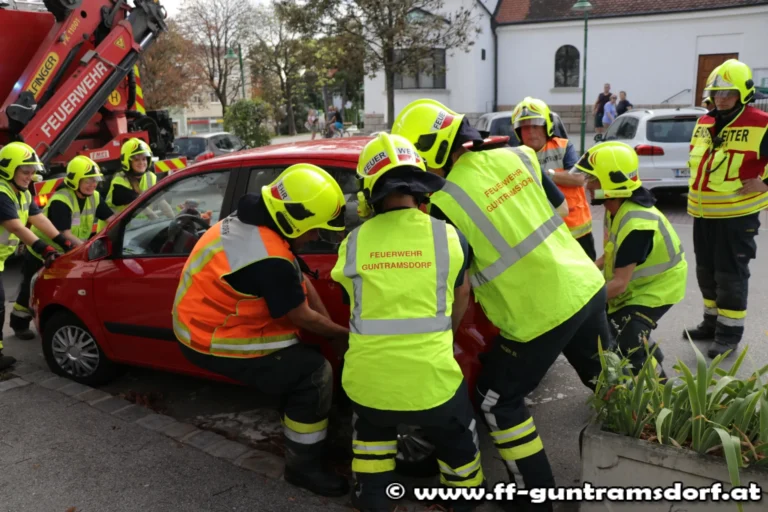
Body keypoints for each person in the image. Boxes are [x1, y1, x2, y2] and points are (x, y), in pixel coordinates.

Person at [392, 99, 611, 512]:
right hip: (584, 285)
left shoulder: (443, 203)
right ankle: (647, 455)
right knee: (606, 379)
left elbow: (458, 283)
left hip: (538, 314)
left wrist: (444, 335)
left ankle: (534, 499)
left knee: (496, 401)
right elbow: (561, 209)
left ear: (431, 150)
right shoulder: (519, 156)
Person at [172, 164, 350, 497]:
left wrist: (331, 333)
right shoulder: (269, 260)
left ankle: (302, 419)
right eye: (315, 230)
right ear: (294, 220)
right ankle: (303, 467)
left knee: (299, 361)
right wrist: (343, 336)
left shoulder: (256, 219)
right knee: (314, 374)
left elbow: (299, 279)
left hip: (203, 321)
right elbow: (301, 315)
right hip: (214, 338)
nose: (315, 238)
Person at [331, 133, 483, 512]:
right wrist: (444, 336)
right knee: (458, 448)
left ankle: (375, 501)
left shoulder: (353, 243)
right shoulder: (450, 237)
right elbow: (461, 296)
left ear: (369, 191)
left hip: (369, 384)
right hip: (433, 381)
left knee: (372, 448)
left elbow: (353, 304)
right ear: (420, 185)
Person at [573, 141, 687, 378]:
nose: (588, 185)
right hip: (639, 286)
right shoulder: (616, 207)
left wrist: (581, 304)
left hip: (657, 289)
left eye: (593, 179)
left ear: (613, 182)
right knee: (624, 330)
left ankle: (658, 390)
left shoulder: (637, 224)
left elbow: (619, 284)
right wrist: (587, 271)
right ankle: (649, 360)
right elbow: (610, 254)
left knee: (628, 336)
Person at [684, 59, 768, 358]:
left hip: (737, 217)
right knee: (706, 274)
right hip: (703, 215)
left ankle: (729, 334)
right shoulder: (704, 122)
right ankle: (711, 323)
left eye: (728, 93)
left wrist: (766, 184)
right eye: (716, 92)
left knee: (730, 276)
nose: (720, 98)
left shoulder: (761, 123)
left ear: (743, 94)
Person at [10, 156, 115, 339]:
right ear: (75, 180)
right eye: (87, 180)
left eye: (95, 180)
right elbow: (64, 233)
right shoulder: (62, 200)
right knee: (30, 288)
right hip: (41, 250)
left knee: (59, 287)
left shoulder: (95, 197)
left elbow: (111, 219)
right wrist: (86, 248)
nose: (93, 184)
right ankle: (19, 323)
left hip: (67, 249)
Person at [0, 142, 69, 370]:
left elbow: (38, 218)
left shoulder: (21, 192)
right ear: (9, 168)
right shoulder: (2, 193)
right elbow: (16, 226)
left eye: (32, 171)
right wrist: (44, 249)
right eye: (25, 171)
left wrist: (63, 241)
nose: (30, 176)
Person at [512, 97, 595, 260]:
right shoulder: (515, 156)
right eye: (525, 127)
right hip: (543, 236)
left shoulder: (563, 147)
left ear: (546, 127)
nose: (530, 132)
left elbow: (579, 178)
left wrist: (545, 174)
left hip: (576, 232)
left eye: (535, 125)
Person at [98, 138, 172, 231]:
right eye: (136, 160)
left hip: (133, 229)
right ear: (127, 161)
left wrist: (173, 220)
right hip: (111, 231)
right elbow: (141, 206)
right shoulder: (120, 181)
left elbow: (161, 202)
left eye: (144, 159)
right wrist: (161, 225)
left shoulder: (151, 177)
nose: (141, 163)